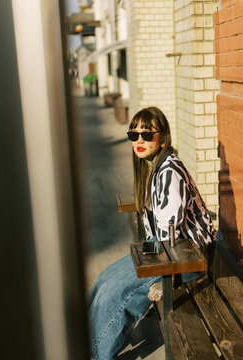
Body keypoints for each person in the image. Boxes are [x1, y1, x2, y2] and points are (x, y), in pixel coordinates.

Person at [87, 106, 218, 360]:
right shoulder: (152, 165)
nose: (139, 141)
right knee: (106, 277)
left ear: (163, 138)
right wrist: (146, 250)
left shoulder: (169, 172)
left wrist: (164, 274)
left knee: (116, 291)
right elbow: (157, 233)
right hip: (165, 246)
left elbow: (169, 239)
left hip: (186, 255)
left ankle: (98, 353)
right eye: (133, 135)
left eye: (147, 135)